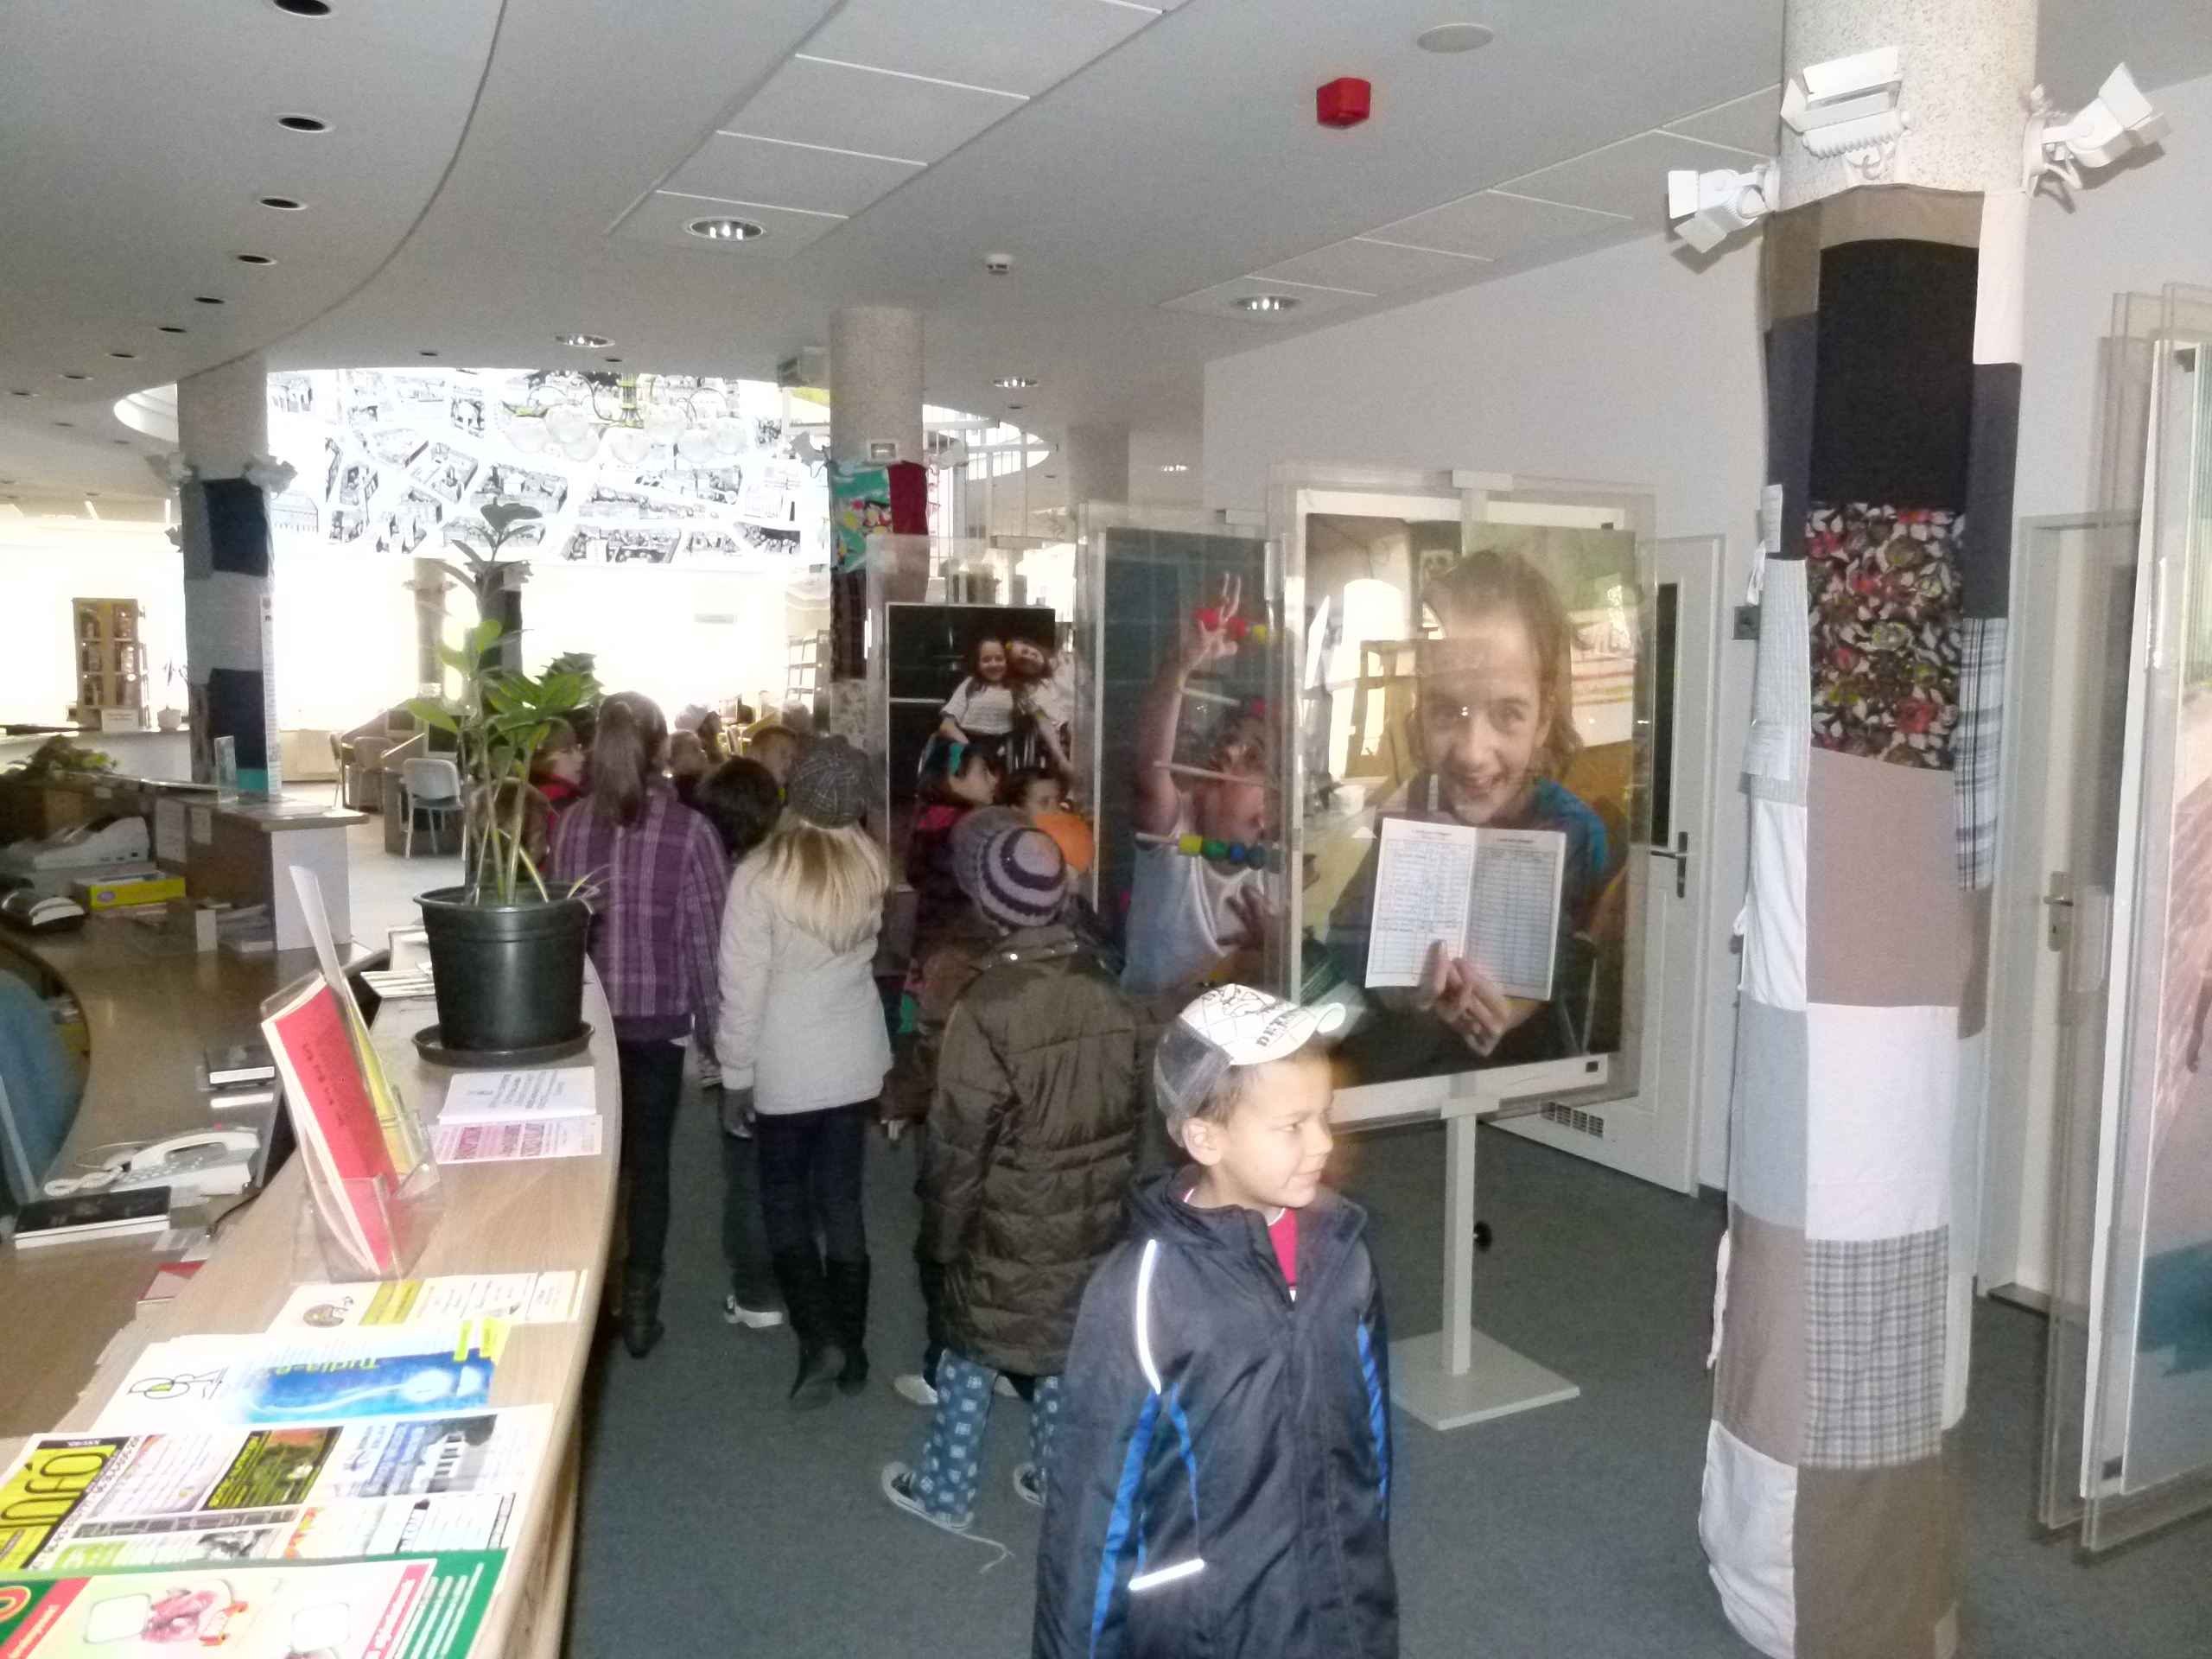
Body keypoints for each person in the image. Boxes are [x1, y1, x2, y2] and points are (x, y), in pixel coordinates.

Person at [1033, 983, 1395, 1659]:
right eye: (1292, 1125)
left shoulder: (1344, 1253)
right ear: (1205, 1137)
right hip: (1208, 1629)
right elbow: (1092, 1513)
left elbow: (1370, 1440)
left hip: (1342, 1606)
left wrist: (1365, 1563)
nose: (1323, 1142)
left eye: (1325, 1114)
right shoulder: (1143, 1292)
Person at [882, 818, 1144, 1536]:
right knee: (1061, 1345)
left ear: (989, 906)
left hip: (1006, 1217)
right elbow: (1129, 1116)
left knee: (972, 1348)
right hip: (1089, 1216)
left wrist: (941, 1237)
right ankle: (1057, 1477)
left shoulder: (988, 1004)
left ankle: (946, 1491)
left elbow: (959, 1141)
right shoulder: (1106, 989)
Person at [1327, 550, 1612, 1074]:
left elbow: (1580, 971)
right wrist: (1399, 989)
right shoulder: (1413, 807)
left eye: (1507, 713)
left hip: (1525, 1088)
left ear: (1543, 721)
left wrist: (1514, 1010)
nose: (1472, 753)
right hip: (1410, 1076)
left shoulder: (1575, 832)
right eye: (1447, 709)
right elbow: (1347, 937)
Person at [548, 692, 728, 1360]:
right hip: (656, 1028)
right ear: (660, 752)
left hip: (583, 1026)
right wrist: (717, 1043)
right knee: (650, 1166)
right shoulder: (692, 832)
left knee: (592, 1169)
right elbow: (705, 948)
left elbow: (559, 933)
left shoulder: (569, 826)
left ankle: (590, 1305)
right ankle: (642, 1308)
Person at [715, 737, 893, 1409]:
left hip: (785, 1066)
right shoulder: (871, 865)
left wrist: (735, 1074)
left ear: (795, 791)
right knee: (843, 1202)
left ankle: (819, 1338)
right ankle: (855, 1347)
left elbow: (742, 989)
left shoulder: (759, 875)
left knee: (785, 1203)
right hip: (855, 1060)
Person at [1122, 575, 1274, 997]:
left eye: (1252, 759)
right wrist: (1181, 664)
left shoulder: (1274, 874)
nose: (1228, 751)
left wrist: (1275, 946)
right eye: (1230, 740)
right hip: (1146, 1026)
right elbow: (1149, 770)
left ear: (1272, 812)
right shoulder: (1175, 831)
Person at [689, 756, 787, 1333]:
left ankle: (756, 1292)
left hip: (745, 1042)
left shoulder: (723, 882)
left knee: (747, 1171)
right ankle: (798, 1274)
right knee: (795, 1170)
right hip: (796, 1038)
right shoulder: (785, 874)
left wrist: (726, 1063)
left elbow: (723, 983)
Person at [906, 737, 1001, 967]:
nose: (993, 780)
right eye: (983, 771)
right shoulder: (966, 827)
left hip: (934, 943)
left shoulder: (931, 818)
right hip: (963, 947)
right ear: (951, 779)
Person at [938, 634, 1018, 766]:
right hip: (964, 743)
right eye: (986, 660)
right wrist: (968, 748)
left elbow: (1038, 715)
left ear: (1007, 662)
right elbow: (946, 726)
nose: (994, 664)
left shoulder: (1015, 689)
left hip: (999, 748)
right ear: (978, 664)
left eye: (999, 659)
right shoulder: (970, 685)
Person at [530, 718, 585, 810]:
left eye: (578, 747)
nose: (581, 758)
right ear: (540, 761)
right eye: (566, 751)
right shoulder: (558, 802)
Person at [743, 721, 802, 786]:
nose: (789, 762)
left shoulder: (787, 789)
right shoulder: (742, 788)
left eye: (793, 757)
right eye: (783, 754)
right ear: (755, 756)